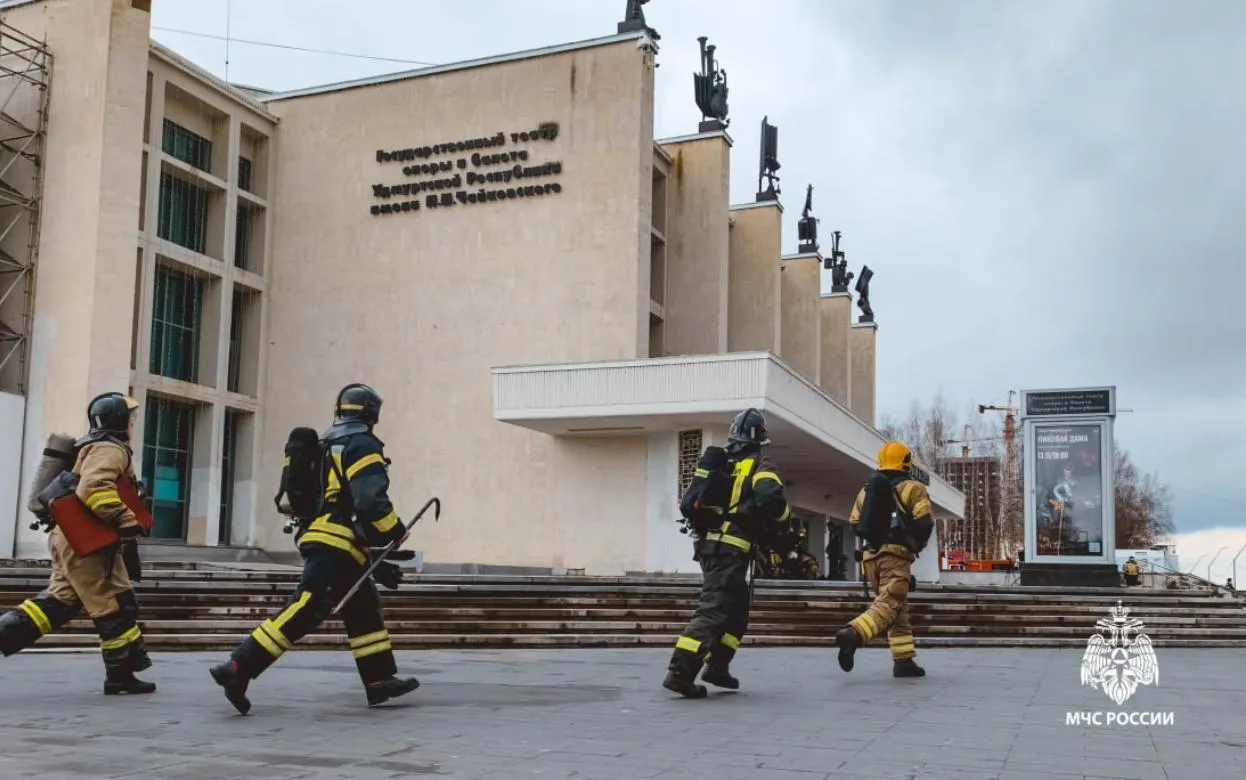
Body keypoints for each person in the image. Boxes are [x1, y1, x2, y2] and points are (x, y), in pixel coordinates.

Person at [209, 384, 419, 714]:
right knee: (306, 605)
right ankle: (238, 667)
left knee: (362, 606)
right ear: (372, 414)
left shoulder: (326, 442)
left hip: (326, 537)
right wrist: (395, 530)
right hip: (336, 541)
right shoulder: (361, 444)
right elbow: (370, 501)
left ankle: (379, 680)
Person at [0, 392, 155, 695]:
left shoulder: (95, 446)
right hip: (86, 543)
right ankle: (119, 676)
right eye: (131, 418)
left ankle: (123, 674)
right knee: (113, 605)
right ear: (119, 421)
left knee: (58, 603)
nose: (133, 424)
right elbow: (94, 487)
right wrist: (125, 519)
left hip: (72, 539)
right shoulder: (110, 449)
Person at [663, 408, 792, 698]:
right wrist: (784, 521)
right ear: (760, 439)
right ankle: (680, 671)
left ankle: (718, 666)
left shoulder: (723, 462)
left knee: (737, 608)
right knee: (714, 609)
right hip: (730, 549)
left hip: (709, 546)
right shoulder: (759, 463)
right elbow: (771, 497)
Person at [834, 440, 935, 679]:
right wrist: (914, 543)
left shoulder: (866, 490)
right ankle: (853, 633)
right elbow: (925, 522)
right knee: (888, 604)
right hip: (895, 556)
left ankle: (904, 660)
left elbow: (855, 523)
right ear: (907, 462)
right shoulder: (913, 488)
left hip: (870, 558)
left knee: (897, 607)